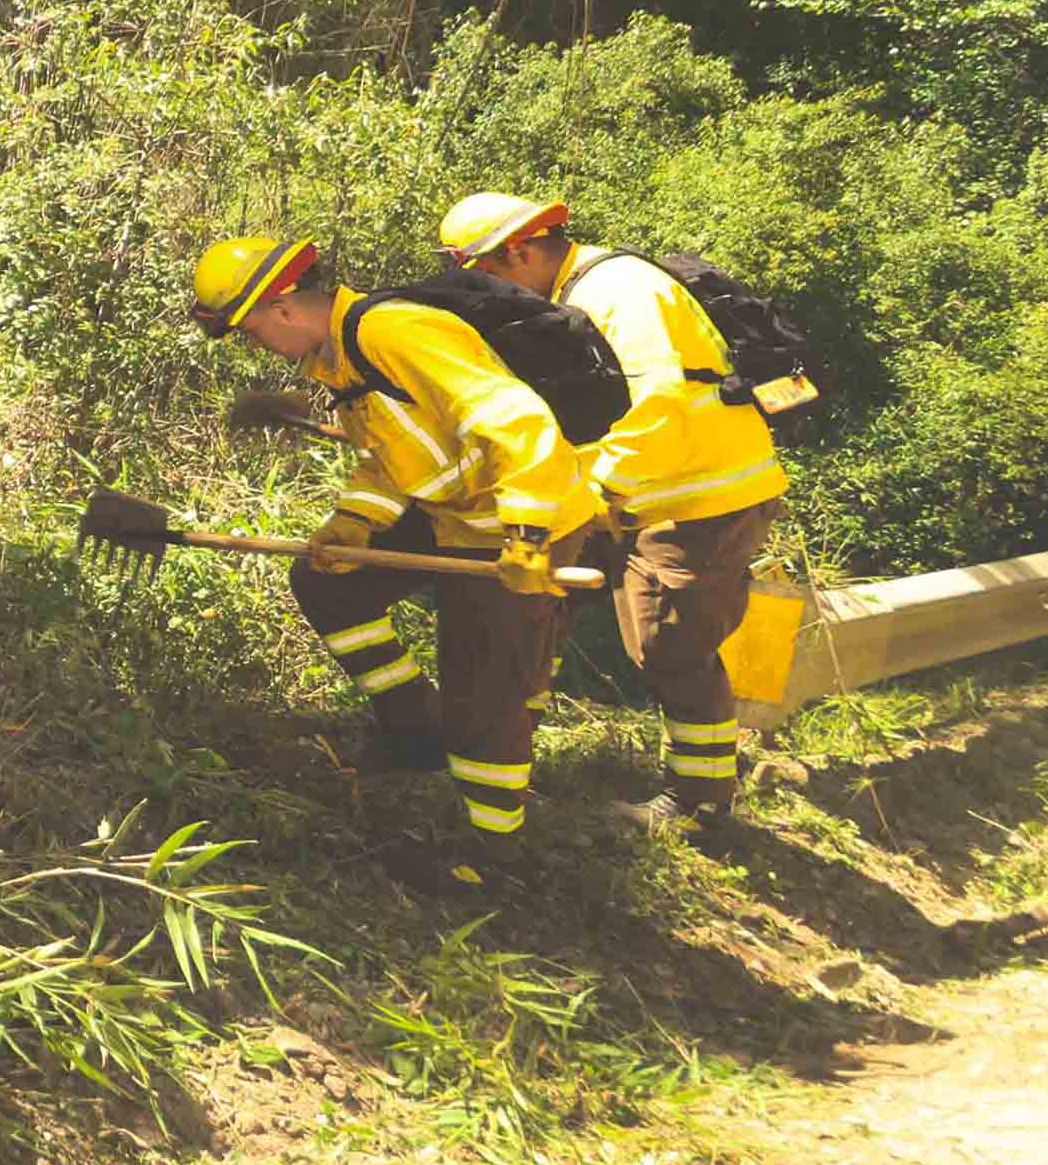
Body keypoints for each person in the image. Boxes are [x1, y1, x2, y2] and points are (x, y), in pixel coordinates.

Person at [187, 233, 601, 880]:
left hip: (522, 519)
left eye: (252, 330)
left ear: (286, 308)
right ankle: (415, 732)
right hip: (455, 513)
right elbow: (389, 456)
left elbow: (517, 421)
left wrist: (527, 534)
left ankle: (492, 856)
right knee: (332, 584)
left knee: (484, 691)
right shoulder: (341, 358)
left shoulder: (394, 333)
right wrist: (355, 524)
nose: (256, 345)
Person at [439, 193, 789, 833]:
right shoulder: (571, 294)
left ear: (519, 251)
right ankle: (509, 755)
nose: (485, 293)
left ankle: (700, 803)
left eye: (483, 275)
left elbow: (660, 405)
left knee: (669, 645)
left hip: (701, 497)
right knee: (543, 611)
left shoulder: (620, 289)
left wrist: (589, 491)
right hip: (640, 493)